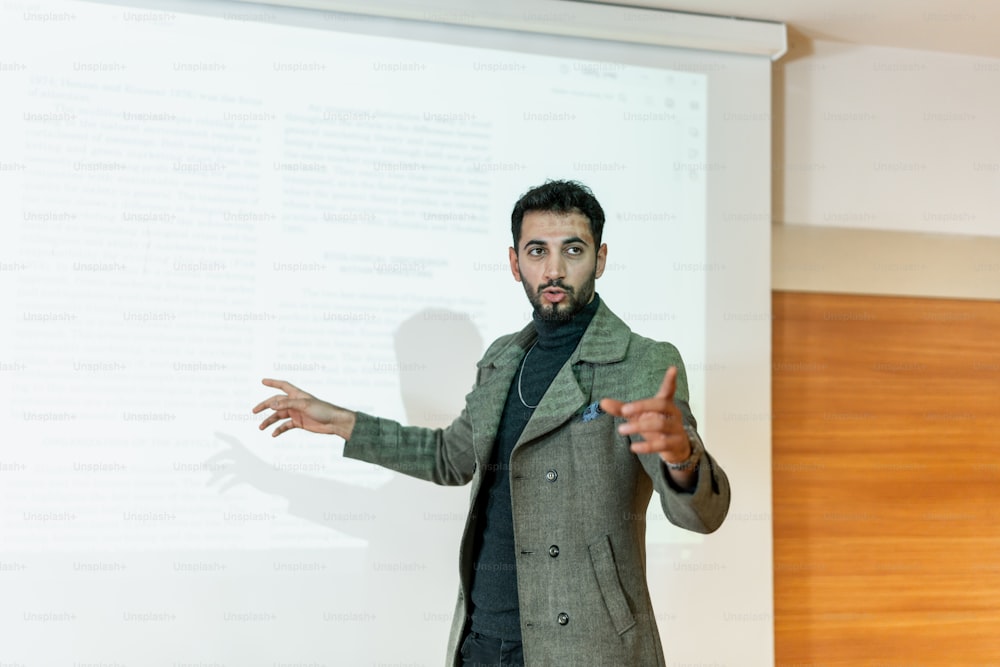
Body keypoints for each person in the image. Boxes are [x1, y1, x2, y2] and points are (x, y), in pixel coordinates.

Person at [253, 180, 730, 667]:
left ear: (600, 259)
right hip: (480, 641)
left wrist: (681, 456)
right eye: (537, 250)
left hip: (586, 646)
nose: (555, 269)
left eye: (574, 250)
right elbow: (449, 458)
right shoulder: (501, 359)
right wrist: (342, 422)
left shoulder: (641, 362)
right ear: (514, 261)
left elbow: (703, 514)